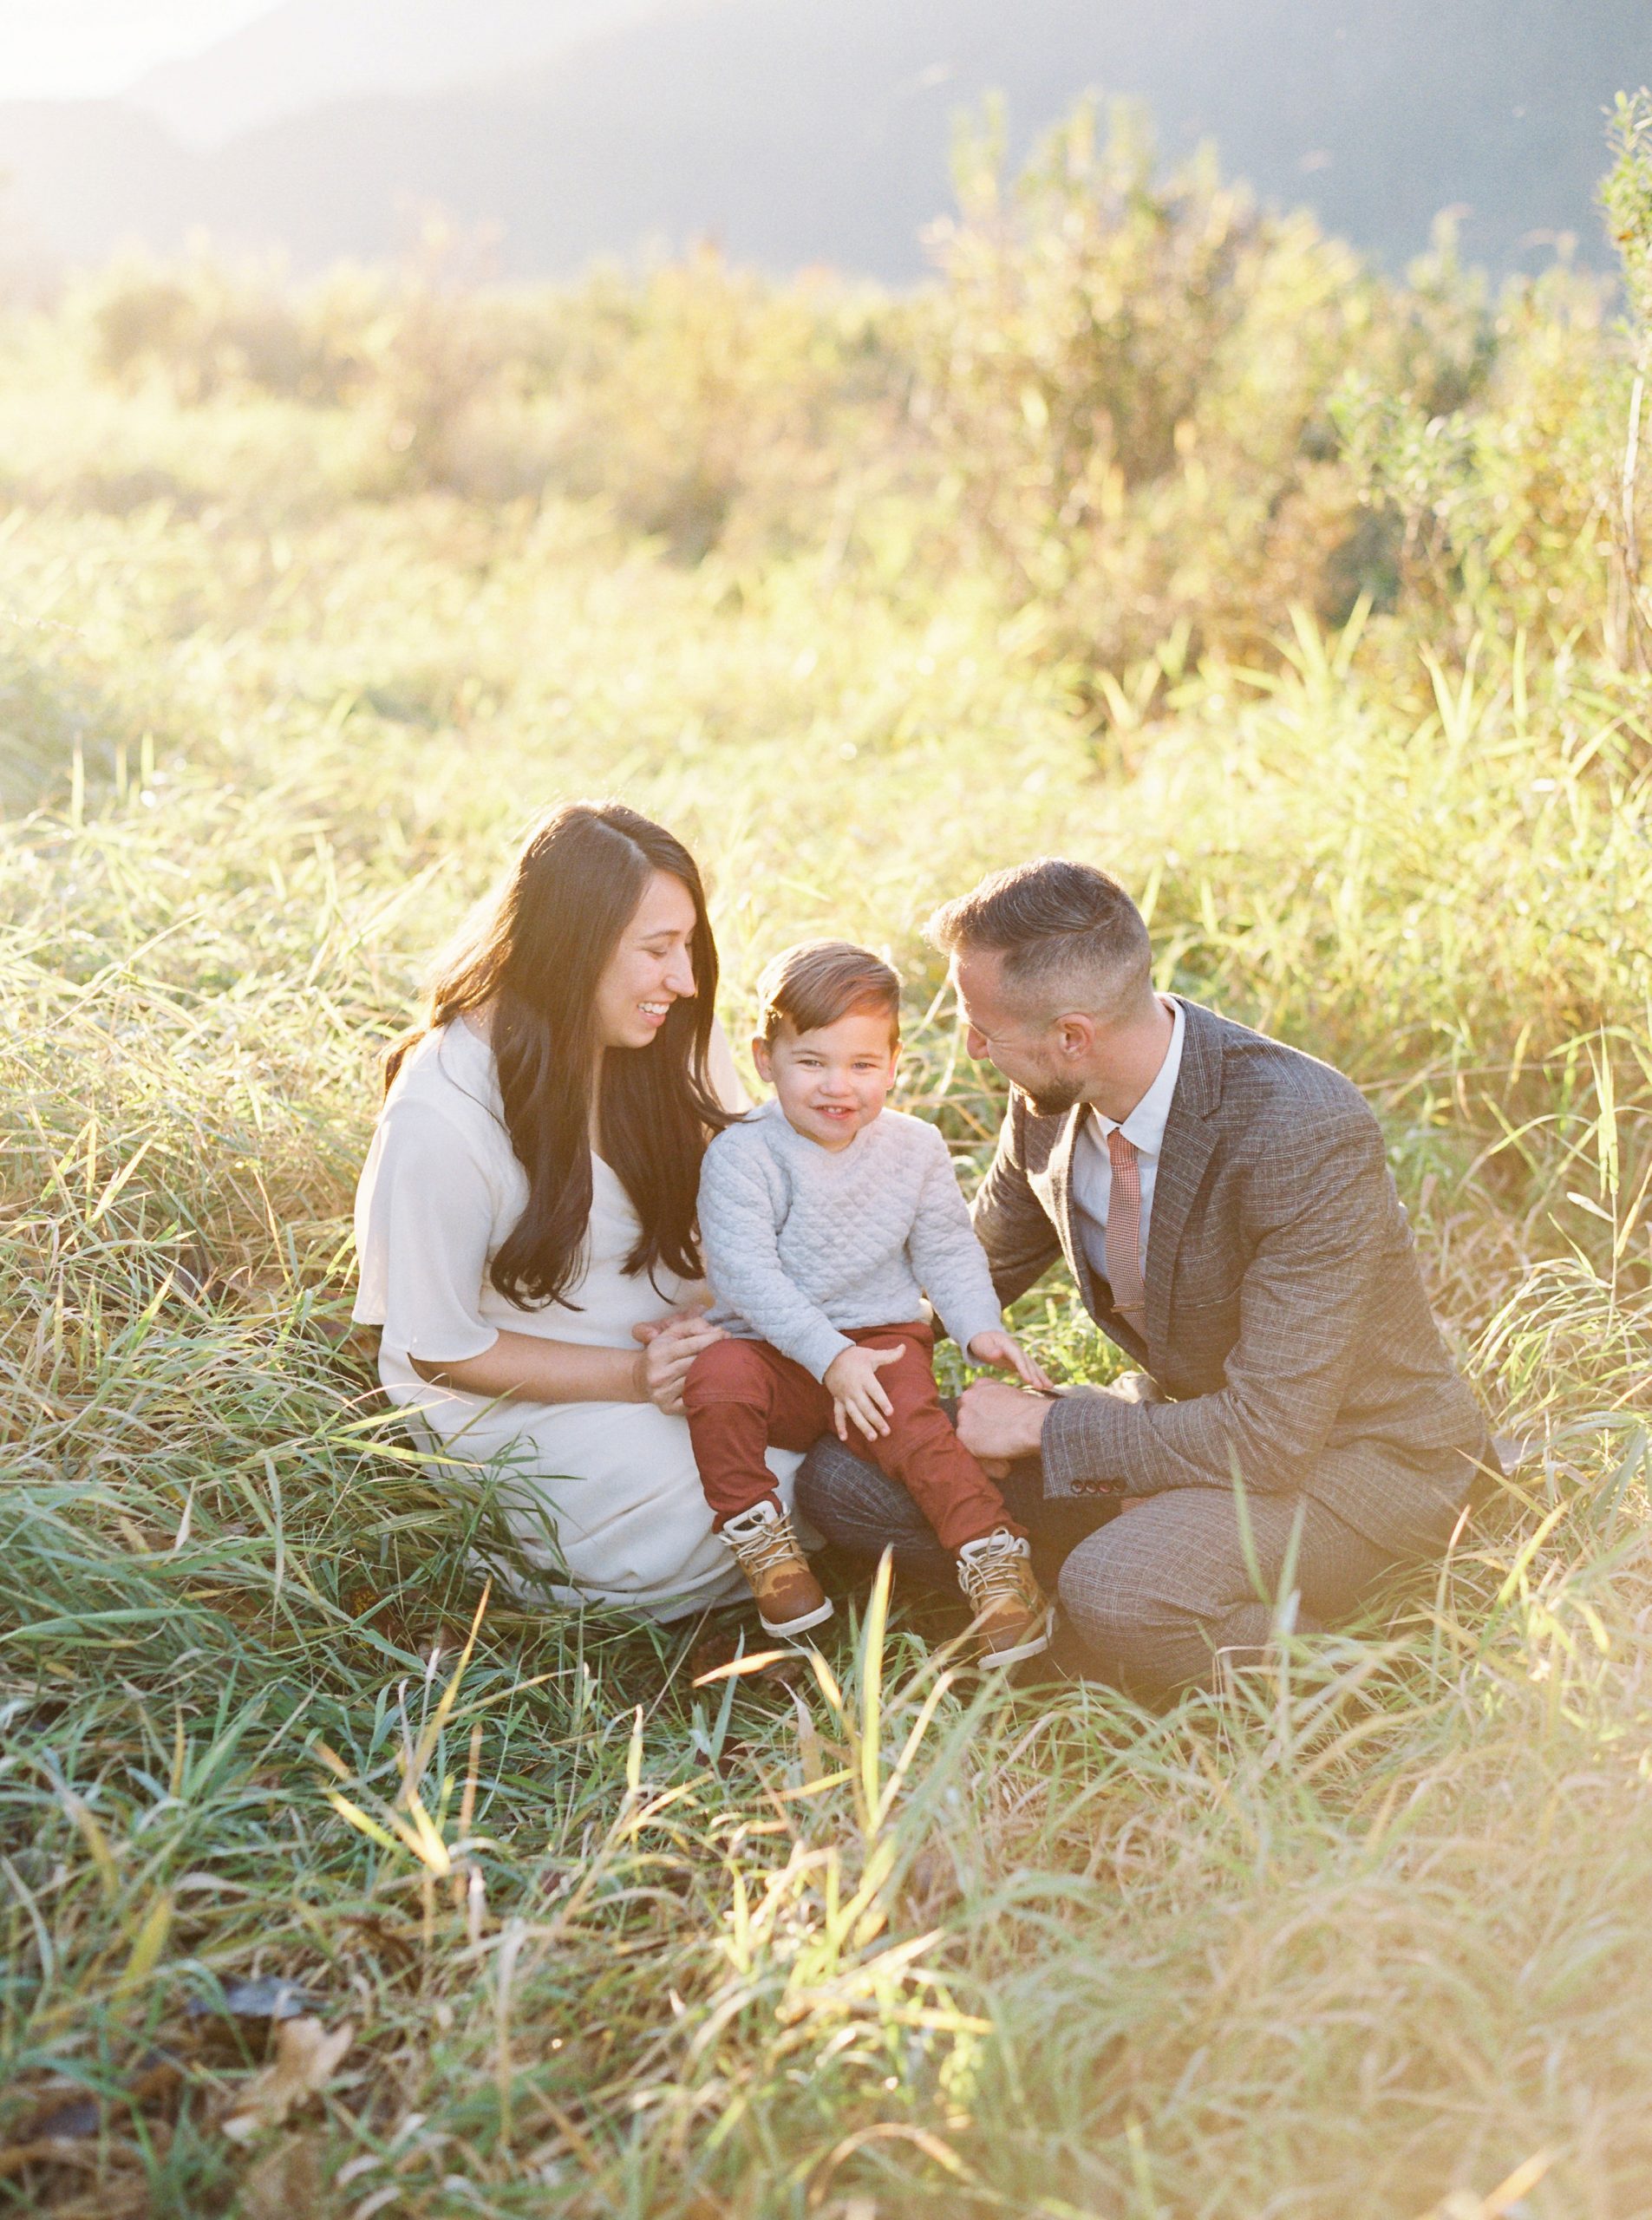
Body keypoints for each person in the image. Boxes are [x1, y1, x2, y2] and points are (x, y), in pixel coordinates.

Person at [796, 859, 1494, 1699]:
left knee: (1116, 1589)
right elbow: (964, 1269)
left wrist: (1043, 1430)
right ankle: (1116, 1602)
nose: (971, 1046)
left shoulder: (1301, 1129)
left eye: (983, 1027)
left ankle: (1381, 1677)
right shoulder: (1051, 1101)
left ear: (1073, 1037)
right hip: (1182, 1436)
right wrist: (808, 1341)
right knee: (845, 1478)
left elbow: (1271, 1437)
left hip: (1356, 1464)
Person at [350, 800, 805, 1623]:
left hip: (696, 1346)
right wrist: (635, 1377)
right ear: (574, 946)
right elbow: (436, 1347)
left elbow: (744, 1211)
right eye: (658, 950)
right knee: (754, 1490)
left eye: (688, 947)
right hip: (532, 1391)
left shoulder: (666, 1033)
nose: (686, 980)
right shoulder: (444, 1108)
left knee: (851, 1412)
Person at [681, 940, 1054, 1662]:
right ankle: (767, 1547)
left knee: (919, 1434)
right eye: (811, 1062)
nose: (837, 1088)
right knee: (716, 1380)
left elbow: (945, 1246)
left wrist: (978, 1326)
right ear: (765, 1060)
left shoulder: (912, 1147)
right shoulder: (740, 1153)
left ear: (893, 1064)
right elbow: (748, 1277)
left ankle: (996, 1565)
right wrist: (828, 1358)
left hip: (880, 1342)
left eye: (861, 1065)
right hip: (775, 1347)